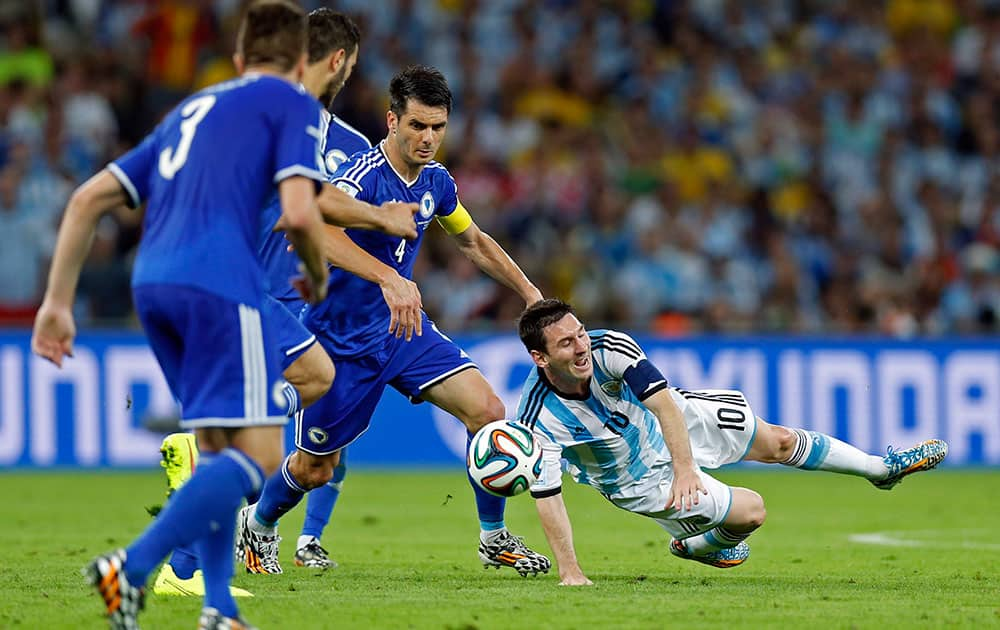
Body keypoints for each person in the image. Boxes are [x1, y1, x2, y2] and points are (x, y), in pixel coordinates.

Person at [31, 2, 330, 627]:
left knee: (218, 445)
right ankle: (131, 567)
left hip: (154, 285)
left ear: (241, 58)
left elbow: (88, 199)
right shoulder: (293, 103)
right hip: (221, 285)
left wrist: (56, 304)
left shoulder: (188, 109)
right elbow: (300, 213)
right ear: (301, 62)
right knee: (260, 455)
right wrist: (319, 275)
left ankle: (218, 606)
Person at [237, 65, 552, 578]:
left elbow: (472, 241)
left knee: (488, 410)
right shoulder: (361, 178)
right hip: (338, 341)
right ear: (392, 121)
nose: (428, 138)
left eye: (438, 127)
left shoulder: (436, 182)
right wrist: (389, 277)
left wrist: (529, 292)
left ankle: (493, 538)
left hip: (403, 332)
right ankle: (260, 523)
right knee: (316, 469)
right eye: (417, 126)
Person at [513, 298, 949, 586]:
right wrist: (570, 571)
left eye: (581, 333)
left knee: (777, 441)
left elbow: (664, 405)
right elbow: (548, 496)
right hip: (637, 479)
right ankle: (695, 545)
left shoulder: (609, 347)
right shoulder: (538, 419)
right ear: (541, 357)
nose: (581, 346)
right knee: (751, 511)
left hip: (668, 421)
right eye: (566, 343)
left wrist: (686, 468)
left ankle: (880, 469)